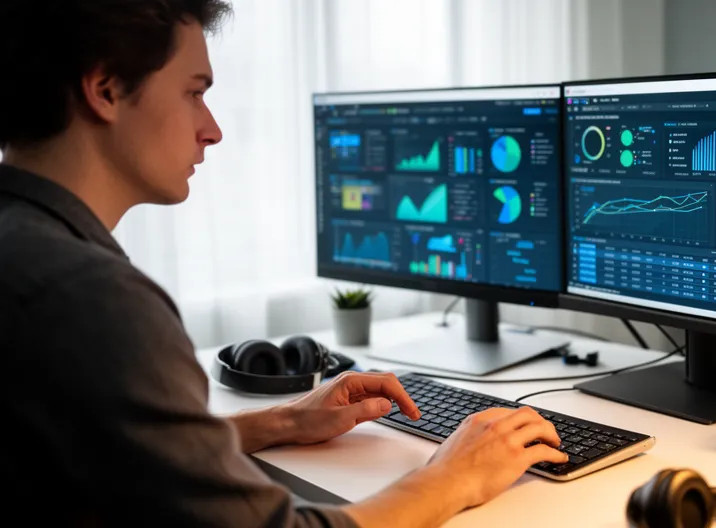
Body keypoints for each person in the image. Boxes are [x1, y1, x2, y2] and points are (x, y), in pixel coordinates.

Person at [0, 1, 568, 526]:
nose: (212, 130)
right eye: (194, 92)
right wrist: (455, 475)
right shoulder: (92, 301)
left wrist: (286, 420)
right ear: (104, 89)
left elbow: (113, 455)